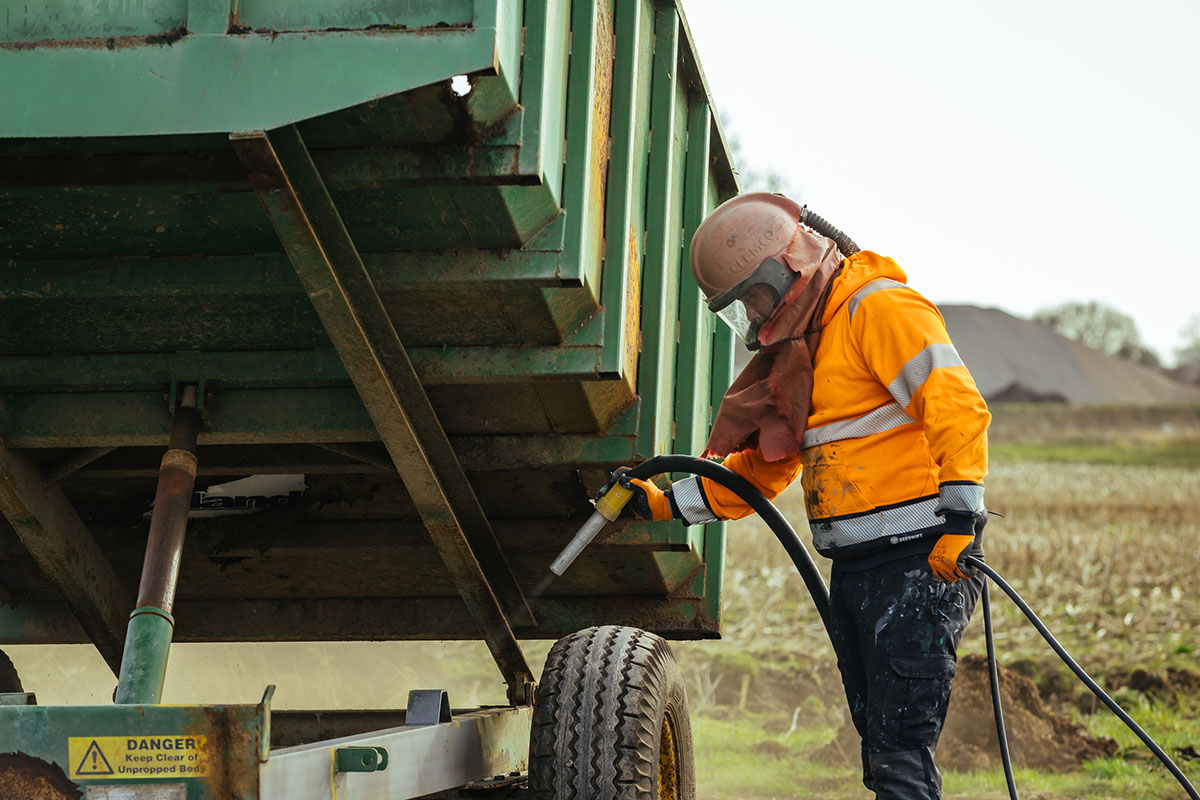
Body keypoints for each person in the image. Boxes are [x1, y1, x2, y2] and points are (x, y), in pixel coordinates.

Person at [619, 192, 990, 799]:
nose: (753, 320)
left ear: (782, 271)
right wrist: (664, 505)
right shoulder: (807, 344)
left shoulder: (877, 308)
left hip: (922, 560)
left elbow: (955, 405)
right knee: (881, 747)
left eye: (752, 300)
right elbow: (762, 471)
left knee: (900, 752)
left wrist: (961, 518)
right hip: (860, 570)